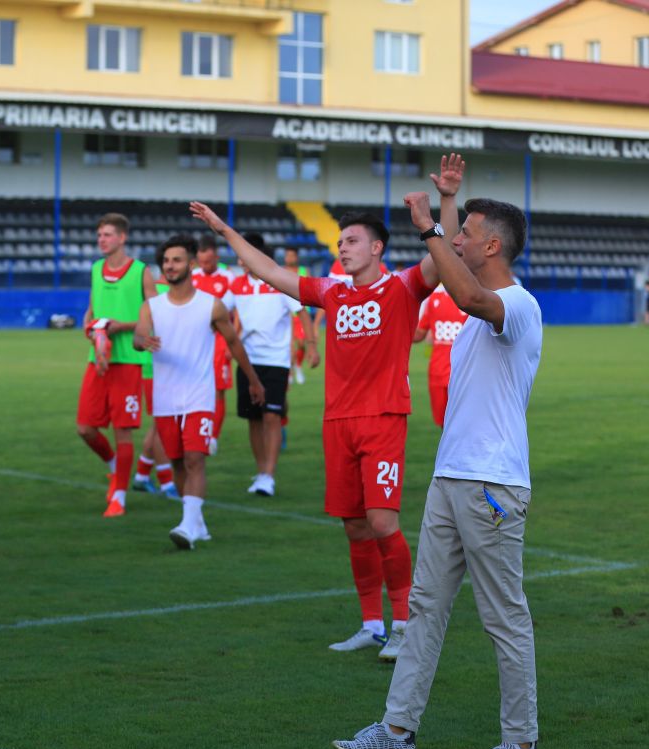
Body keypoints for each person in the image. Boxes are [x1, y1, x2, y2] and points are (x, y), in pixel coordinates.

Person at [190, 153, 466, 662]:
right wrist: (225, 230)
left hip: (383, 418)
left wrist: (447, 199)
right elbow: (270, 271)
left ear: (377, 248)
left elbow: (442, 254)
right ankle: (371, 624)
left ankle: (405, 625)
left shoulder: (403, 286)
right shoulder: (332, 292)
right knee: (354, 525)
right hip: (338, 422)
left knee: (383, 523)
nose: (342, 248)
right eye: (340, 243)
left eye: (352, 241)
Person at [333, 189, 544, 749]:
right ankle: (398, 731)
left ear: (493, 245)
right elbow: (458, 283)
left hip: (493, 485)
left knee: (504, 617)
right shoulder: (471, 302)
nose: (457, 240)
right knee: (424, 607)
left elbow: (470, 293)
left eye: (467, 233)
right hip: (453, 478)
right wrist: (448, 205)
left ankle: (521, 745)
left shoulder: (517, 304)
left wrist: (428, 226)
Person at [133, 234, 263, 549]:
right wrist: (142, 341)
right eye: (166, 261)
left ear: (191, 264)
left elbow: (233, 342)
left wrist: (253, 380)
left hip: (199, 396)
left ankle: (188, 528)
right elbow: (139, 335)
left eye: (176, 260)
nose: (170, 266)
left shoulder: (212, 306)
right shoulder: (152, 306)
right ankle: (195, 522)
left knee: (194, 459)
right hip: (165, 398)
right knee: (177, 461)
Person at [77, 213, 156, 518]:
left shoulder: (140, 272)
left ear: (122, 238)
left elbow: (154, 315)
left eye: (107, 235)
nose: (101, 240)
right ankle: (114, 467)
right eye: (99, 235)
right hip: (98, 362)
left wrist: (122, 326)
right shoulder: (96, 269)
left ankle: (119, 497)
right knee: (85, 428)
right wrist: (91, 330)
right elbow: (91, 311)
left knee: (124, 432)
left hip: (129, 362)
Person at [230, 233, 317, 496]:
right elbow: (217, 313)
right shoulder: (236, 286)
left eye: (246, 254)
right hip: (248, 361)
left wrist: (311, 346)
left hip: (276, 361)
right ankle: (260, 472)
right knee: (254, 420)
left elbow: (301, 312)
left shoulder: (278, 281)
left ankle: (269, 474)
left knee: (271, 417)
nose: (241, 259)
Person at [132, 266, 179, 500]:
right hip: (157, 369)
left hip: (162, 368)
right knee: (162, 426)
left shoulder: (167, 292)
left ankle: (141, 476)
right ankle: (166, 482)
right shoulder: (164, 294)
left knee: (158, 425)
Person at [191, 234, 235, 454]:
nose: (204, 266)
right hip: (195, 342)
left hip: (219, 341)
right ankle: (196, 430)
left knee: (218, 391)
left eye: (208, 261)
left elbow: (236, 313)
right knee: (196, 390)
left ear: (216, 257)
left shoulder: (228, 278)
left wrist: (230, 344)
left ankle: (213, 437)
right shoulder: (192, 276)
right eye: (201, 262)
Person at [414, 285, 468, 427]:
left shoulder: (470, 296)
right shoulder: (433, 297)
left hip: (462, 373)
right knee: (443, 424)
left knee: (463, 424)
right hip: (437, 372)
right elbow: (419, 333)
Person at [283, 246, 312, 385]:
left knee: (301, 344)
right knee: (289, 347)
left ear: (296, 257)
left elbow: (310, 290)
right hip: (287, 314)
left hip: (301, 314)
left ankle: (298, 366)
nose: (289, 258)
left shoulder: (304, 271)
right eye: (287, 255)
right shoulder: (280, 272)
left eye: (291, 255)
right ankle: (289, 373)